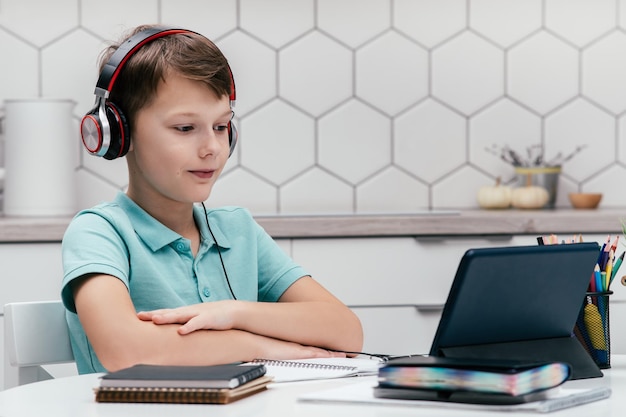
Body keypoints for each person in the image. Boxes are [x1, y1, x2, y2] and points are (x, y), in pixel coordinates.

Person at [61, 24, 363, 374]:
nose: (213, 149)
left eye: (221, 127)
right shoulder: (99, 233)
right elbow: (124, 351)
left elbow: (346, 330)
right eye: (185, 128)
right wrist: (256, 346)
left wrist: (231, 313)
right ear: (118, 133)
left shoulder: (236, 230)